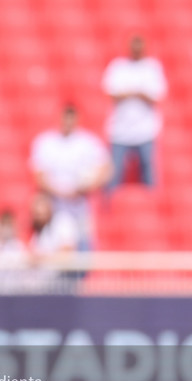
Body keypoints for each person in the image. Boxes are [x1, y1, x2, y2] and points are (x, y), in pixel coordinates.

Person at [30, 104, 111, 250]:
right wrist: (61, 192)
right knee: (57, 245)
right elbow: (39, 175)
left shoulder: (87, 142)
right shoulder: (47, 142)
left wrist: (86, 187)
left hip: (79, 205)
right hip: (55, 206)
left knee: (83, 245)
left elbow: (106, 169)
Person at [101, 34, 167, 191]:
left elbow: (156, 95)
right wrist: (138, 92)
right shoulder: (118, 66)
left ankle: (154, 207)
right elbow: (112, 92)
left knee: (148, 170)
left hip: (145, 130)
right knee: (114, 172)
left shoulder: (152, 67)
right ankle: (108, 206)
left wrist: (131, 92)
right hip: (120, 129)